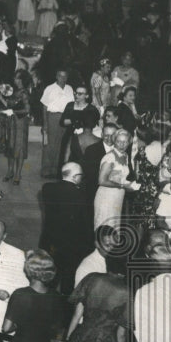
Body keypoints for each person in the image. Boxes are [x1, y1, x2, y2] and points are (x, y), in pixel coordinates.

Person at [39, 162, 92, 296]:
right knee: (68, 282)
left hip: (50, 242)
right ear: (75, 177)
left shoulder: (47, 188)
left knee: (48, 278)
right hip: (71, 247)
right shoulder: (80, 195)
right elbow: (85, 224)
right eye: (80, 176)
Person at [0, 71, 31, 185]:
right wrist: (1, 99)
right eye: (15, 78)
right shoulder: (14, 91)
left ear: (24, 80)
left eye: (19, 79)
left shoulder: (24, 93)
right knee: (10, 146)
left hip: (20, 123)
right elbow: (10, 105)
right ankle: (10, 171)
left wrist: (13, 112)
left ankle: (18, 174)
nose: (16, 81)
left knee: (19, 148)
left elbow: (27, 110)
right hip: (11, 122)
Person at [94, 127, 135, 228]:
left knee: (114, 229)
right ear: (114, 141)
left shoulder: (125, 155)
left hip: (117, 197)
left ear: (129, 142)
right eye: (119, 141)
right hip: (106, 198)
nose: (122, 145)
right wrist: (123, 186)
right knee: (104, 229)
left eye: (125, 142)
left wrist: (128, 185)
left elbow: (120, 177)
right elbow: (101, 180)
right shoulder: (109, 157)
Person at [39, 69, 74, 179]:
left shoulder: (69, 88)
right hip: (53, 117)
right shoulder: (50, 88)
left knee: (61, 144)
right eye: (60, 76)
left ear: (67, 77)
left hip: (66, 118)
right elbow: (44, 107)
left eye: (65, 76)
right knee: (50, 144)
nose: (62, 78)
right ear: (56, 76)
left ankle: (56, 170)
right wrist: (45, 124)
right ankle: (46, 170)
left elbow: (72, 105)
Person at [59, 85, 100, 165]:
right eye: (75, 93)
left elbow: (92, 124)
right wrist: (78, 120)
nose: (76, 95)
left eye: (80, 94)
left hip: (84, 138)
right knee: (66, 159)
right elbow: (62, 122)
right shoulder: (70, 105)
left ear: (87, 96)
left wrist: (72, 120)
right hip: (69, 135)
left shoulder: (91, 109)